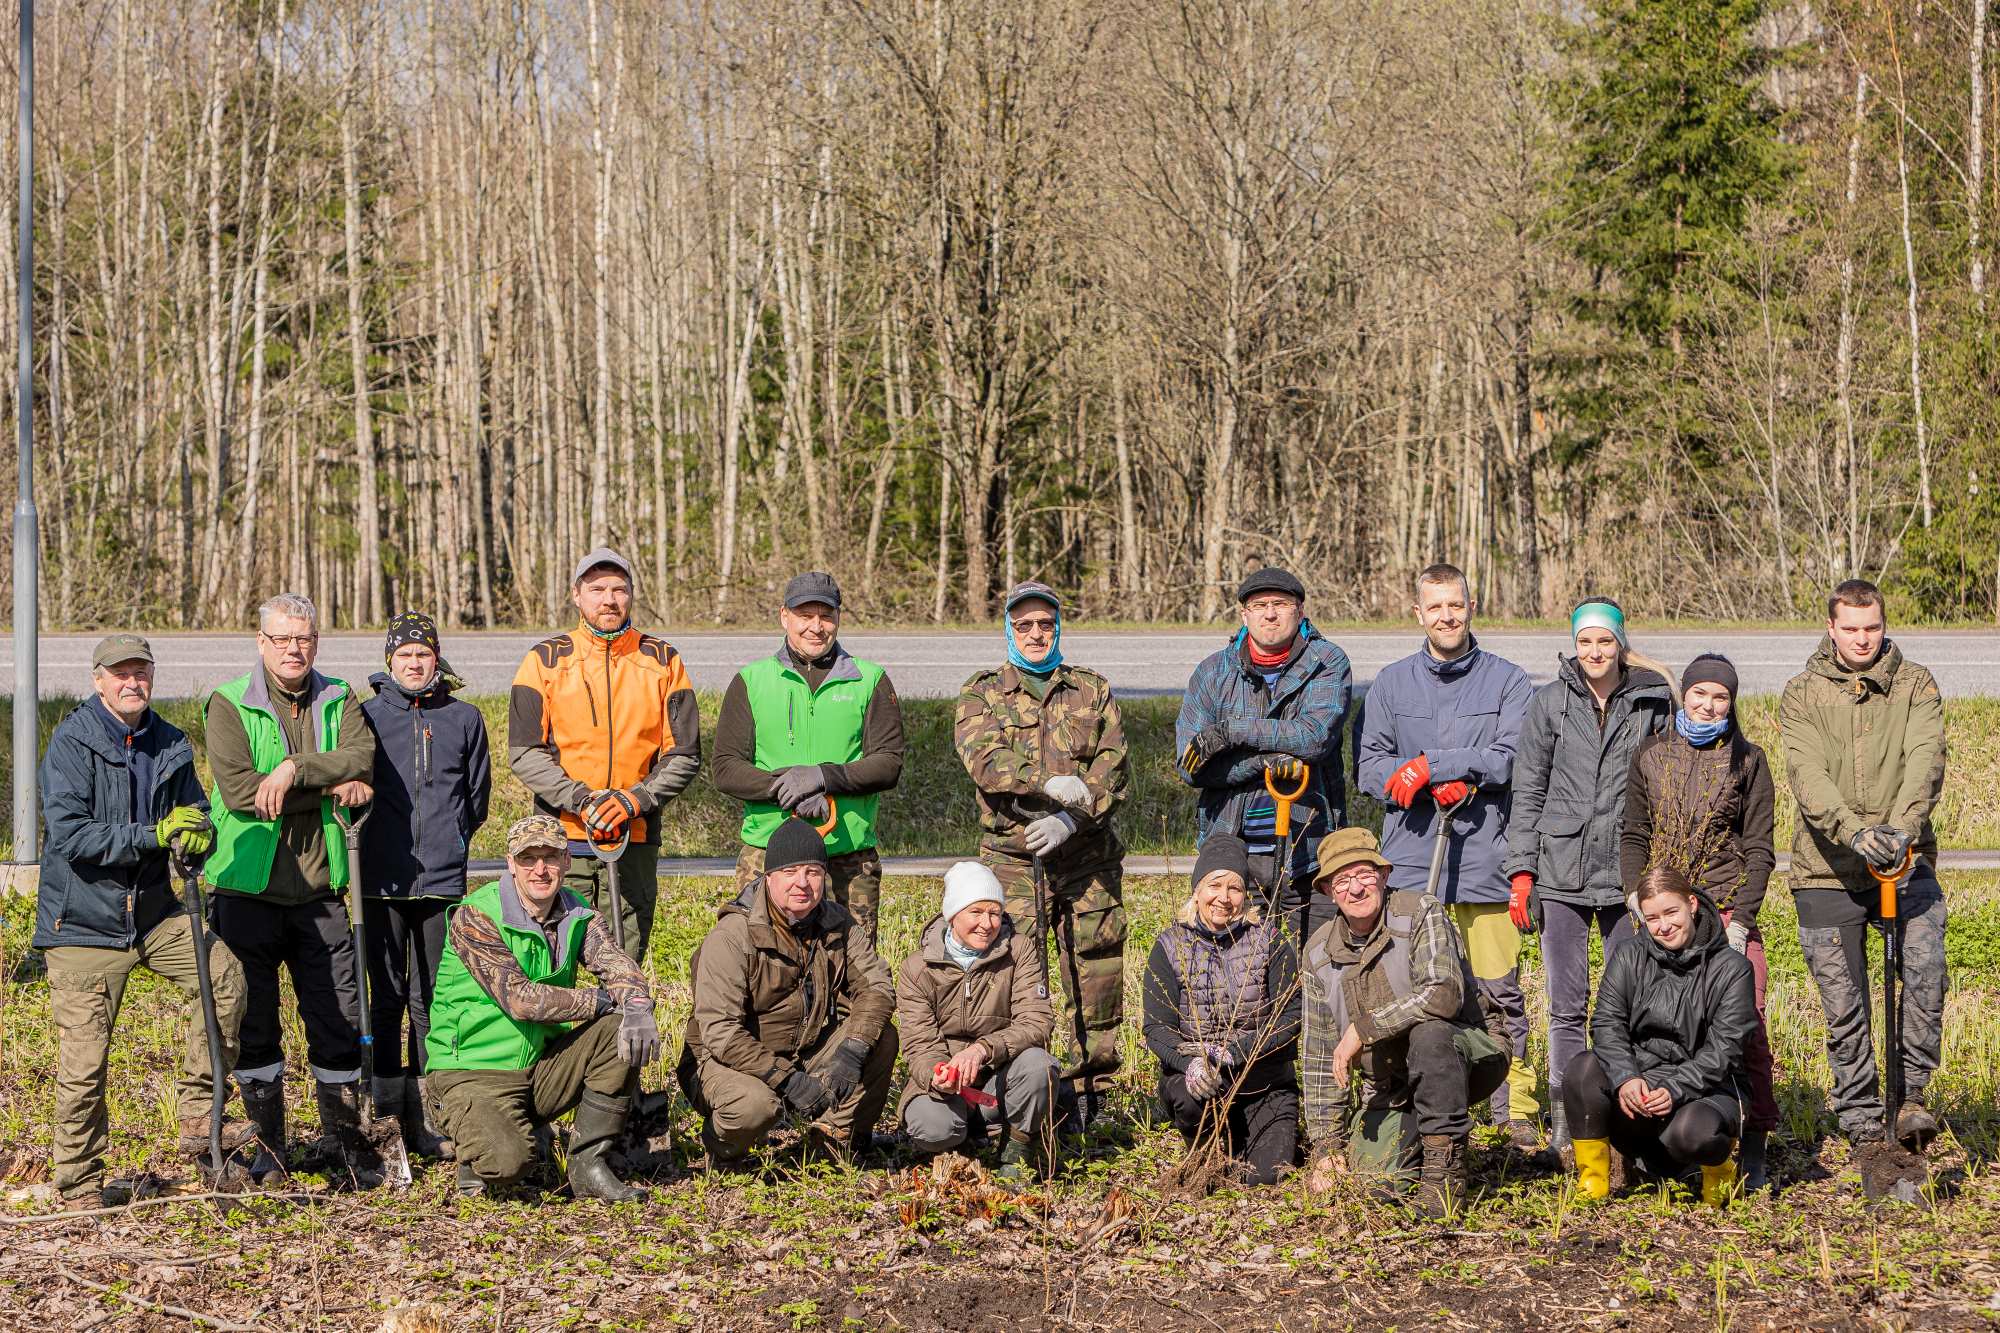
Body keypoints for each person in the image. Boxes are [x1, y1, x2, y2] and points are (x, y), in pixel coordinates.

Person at [35, 634, 252, 1207]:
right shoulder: (71, 741)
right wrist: (152, 834)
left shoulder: (170, 741)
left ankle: (197, 1116)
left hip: (155, 913)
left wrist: (198, 831)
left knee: (224, 980)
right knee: (84, 1063)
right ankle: (78, 1184)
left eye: (141, 672)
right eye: (121, 674)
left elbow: (197, 810)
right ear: (99, 680)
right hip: (82, 923)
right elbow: (71, 834)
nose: (133, 683)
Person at [1356, 562, 1539, 1148]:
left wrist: (1440, 766)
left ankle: (1517, 1111)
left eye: (1455, 604)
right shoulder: (1389, 684)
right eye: (1435, 607)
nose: (1446, 616)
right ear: (1418, 614)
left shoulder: (1509, 681)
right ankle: (1398, 1100)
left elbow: (1512, 758)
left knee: (1499, 992)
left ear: (1470, 605)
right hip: (1411, 861)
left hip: (1487, 861)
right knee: (1405, 990)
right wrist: (1407, 779)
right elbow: (1368, 767)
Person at [203, 594, 378, 1182]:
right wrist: (331, 781)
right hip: (246, 889)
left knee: (337, 1019)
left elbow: (363, 756)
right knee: (255, 1025)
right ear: (261, 643)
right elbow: (239, 792)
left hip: (322, 890)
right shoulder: (228, 703)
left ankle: (344, 1148)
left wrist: (294, 771)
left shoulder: (338, 697)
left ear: (316, 642)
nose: (292, 649)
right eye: (280, 639)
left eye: (302, 638)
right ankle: (268, 1151)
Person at [1779, 579, 1948, 1157]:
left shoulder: (1916, 683)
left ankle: (1912, 1100)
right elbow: (1807, 776)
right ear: (1831, 628)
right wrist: (1856, 833)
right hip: (1826, 868)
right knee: (1845, 1001)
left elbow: (1926, 761)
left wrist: (1900, 832)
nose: (1862, 638)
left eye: (1871, 627)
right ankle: (1861, 1119)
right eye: (1850, 628)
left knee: (1925, 971)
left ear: (1883, 623)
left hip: (1907, 862)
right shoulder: (1801, 693)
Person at [1502, 597, 1673, 1156]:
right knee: (1567, 1005)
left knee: (1627, 1001)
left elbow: (1665, 787)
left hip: (1626, 875)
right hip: (1560, 872)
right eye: (1585, 642)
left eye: (1604, 641)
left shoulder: (1651, 701)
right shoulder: (1550, 703)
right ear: (1574, 646)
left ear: (1620, 643)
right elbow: (1527, 790)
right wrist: (1522, 871)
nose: (1595, 651)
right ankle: (1565, 1124)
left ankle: (1625, 1122)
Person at [423, 815, 657, 1201]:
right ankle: (474, 1143)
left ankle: (587, 1167)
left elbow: (615, 962)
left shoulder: (577, 911)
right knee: (509, 1163)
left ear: (567, 861)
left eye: (550, 857)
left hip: (540, 1067)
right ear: (510, 863)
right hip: (472, 1072)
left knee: (622, 1025)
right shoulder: (476, 915)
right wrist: (601, 1000)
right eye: (529, 858)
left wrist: (634, 1004)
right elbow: (521, 1000)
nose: (540, 869)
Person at [954, 581, 1130, 1093]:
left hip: (1086, 857)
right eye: (1024, 625)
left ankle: (1086, 1092)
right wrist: (1044, 781)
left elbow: (1114, 767)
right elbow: (983, 758)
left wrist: (1074, 819)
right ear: (1009, 629)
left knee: (1095, 972)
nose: (1036, 633)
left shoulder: (1090, 688)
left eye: (1045, 624)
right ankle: (1018, 1089)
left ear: (1058, 627)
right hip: (1013, 856)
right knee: (1011, 971)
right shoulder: (981, 691)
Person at [1621, 653, 1778, 1189]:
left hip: (1725, 903)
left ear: (1732, 704)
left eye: (1720, 698)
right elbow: (1634, 835)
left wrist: (1741, 922)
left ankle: (1754, 1135)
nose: (1708, 706)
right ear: (1682, 697)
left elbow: (1759, 849)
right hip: (1663, 905)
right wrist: (1634, 897)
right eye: (1699, 695)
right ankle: (1650, 1130)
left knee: (1747, 1023)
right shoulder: (1651, 754)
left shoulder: (1749, 760)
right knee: (1651, 1019)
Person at [1299, 828, 1509, 1217]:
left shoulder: (1420, 911)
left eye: (1363, 874)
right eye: (1342, 880)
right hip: (1391, 1083)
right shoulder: (1317, 954)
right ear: (1328, 891)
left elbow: (1442, 995)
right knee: (1372, 1187)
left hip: (1468, 1054)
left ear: (1383, 875)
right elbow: (1319, 1060)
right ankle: (1414, 1144)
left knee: (1430, 1034)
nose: (1356, 889)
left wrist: (1363, 1028)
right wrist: (1326, 1147)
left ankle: (1443, 1179)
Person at [508, 547, 702, 959]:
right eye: (597, 589)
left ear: (632, 595)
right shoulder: (543, 660)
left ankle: (621, 1025)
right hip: (561, 840)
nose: (608, 599)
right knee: (557, 960)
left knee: (625, 960)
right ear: (577, 595)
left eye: (619, 588)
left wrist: (633, 801)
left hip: (634, 837)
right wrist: (582, 800)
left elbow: (683, 753)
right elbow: (525, 752)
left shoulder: (664, 660)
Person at [677, 818, 899, 1166]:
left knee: (879, 1037)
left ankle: (834, 1138)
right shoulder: (734, 935)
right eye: (790, 871)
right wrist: (786, 1080)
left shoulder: (837, 922)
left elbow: (877, 987)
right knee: (755, 1106)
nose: (802, 883)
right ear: (769, 877)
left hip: (803, 1049)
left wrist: (852, 1050)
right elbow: (721, 1034)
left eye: (812, 872)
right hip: (726, 1061)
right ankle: (722, 1150)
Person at [359, 611, 493, 1160]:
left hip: (441, 881)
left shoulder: (463, 718)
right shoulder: (366, 716)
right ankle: (386, 1111)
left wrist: (453, 838)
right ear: (389, 660)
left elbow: (477, 797)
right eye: (405, 655)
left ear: (437, 660)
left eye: (424, 654)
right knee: (386, 996)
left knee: (434, 999)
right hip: (381, 878)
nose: (414, 663)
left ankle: (430, 1110)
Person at [712, 571, 905, 946]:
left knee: (853, 973)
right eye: (805, 615)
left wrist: (822, 777)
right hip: (769, 856)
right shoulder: (751, 681)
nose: (816, 626)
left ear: (838, 618)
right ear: (784, 616)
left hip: (848, 859)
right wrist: (788, 789)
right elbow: (726, 768)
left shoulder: (870, 680)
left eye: (826, 615)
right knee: (767, 967)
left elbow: (888, 763)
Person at [1176, 567, 1353, 944]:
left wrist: (1230, 732)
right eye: (1259, 605)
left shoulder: (1328, 663)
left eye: (1280, 604)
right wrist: (1262, 763)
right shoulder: (1212, 673)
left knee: (1312, 971)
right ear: (1244, 614)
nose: (1270, 614)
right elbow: (1190, 766)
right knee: (1243, 976)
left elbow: (1313, 738)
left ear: (1300, 610)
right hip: (1233, 852)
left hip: (1309, 850)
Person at [1564, 866, 1758, 1206]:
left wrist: (1675, 1087)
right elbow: (1608, 1023)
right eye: (1652, 918)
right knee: (1582, 1069)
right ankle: (1592, 1184)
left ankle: (1719, 1173)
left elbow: (1725, 1050)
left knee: (1693, 1135)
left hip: (1706, 1089)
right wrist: (1626, 1078)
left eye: (1671, 913)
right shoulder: (1629, 954)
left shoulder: (1732, 968)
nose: (1663, 926)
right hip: (1641, 1084)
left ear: (1692, 904)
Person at [1142, 834, 1302, 1187]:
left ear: (1246, 895)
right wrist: (1193, 1062)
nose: (1224, 898)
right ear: (1197, 891)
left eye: (1235, 888)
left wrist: (1234, 1052)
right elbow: (1156, 1028)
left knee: (1266, 1178)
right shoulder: (1169, 946)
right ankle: (1203, 1146)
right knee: (1192, 1103)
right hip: (1199, 1083)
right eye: (1215, 885)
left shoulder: (1270, 940)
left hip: (1265, 1082)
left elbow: (1291, 1017)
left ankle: (1255, 1138)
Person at [896, 862, 1059, 1183]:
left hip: (999, 1080)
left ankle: (1018, 1149)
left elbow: (1038, 1020)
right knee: (933, 1129)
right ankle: (959, 1143)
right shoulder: (916, 968)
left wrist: (983, 1050)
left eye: (995, 912)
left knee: (1041, 1066)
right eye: (976, 912)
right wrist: (937, 1075)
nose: (987, 923)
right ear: (952, 915)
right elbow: (918, 1045)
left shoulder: (1020, 952)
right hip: (948, 1089)